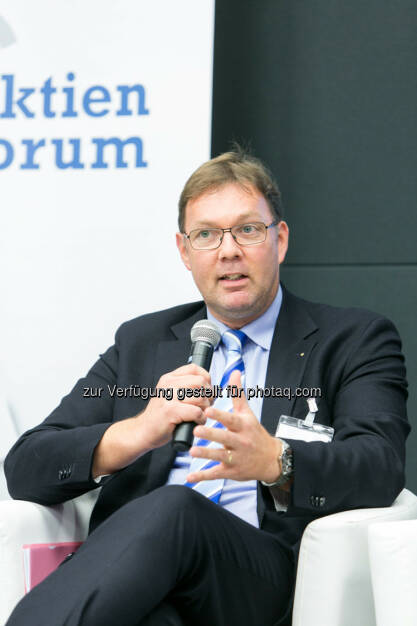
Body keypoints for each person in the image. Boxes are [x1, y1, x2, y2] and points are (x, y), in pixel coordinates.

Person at [5, 148, 409, 626]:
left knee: (178, 507)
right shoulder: (142, 342)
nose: (228, 250)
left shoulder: (353, 338)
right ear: (184, 252)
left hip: (259, 578)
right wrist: (138, 431)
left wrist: (276, 462)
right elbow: (27, 466)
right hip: (142, 578)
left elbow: (379, 465)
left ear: (279, 240)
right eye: (206, 235)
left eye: (248, 229)